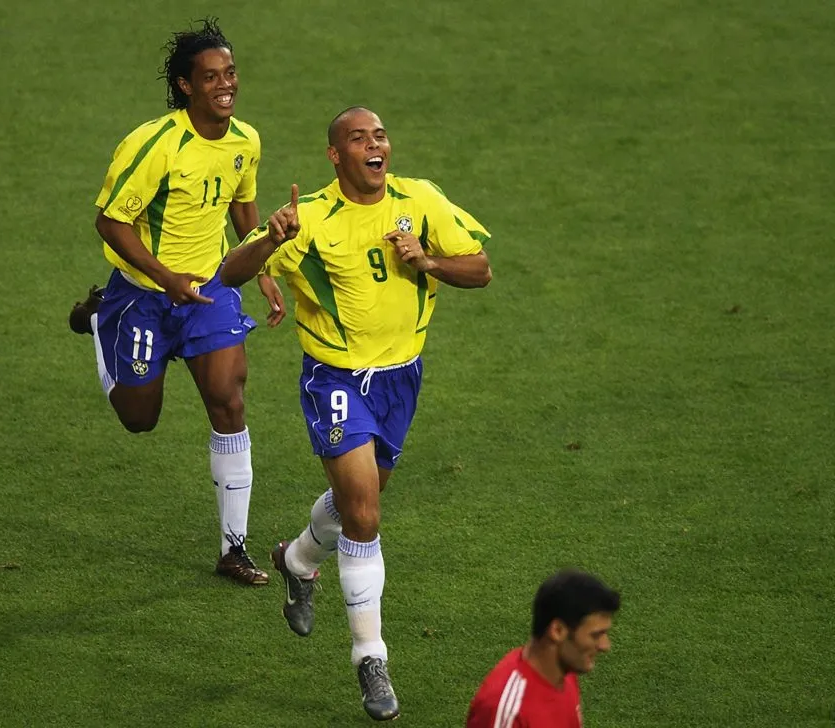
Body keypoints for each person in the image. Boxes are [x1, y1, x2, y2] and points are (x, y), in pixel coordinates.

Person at [221, 106, 492, 721]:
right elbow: (229, 273)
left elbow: (480, 269)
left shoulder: (419, 201)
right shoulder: (310, 218)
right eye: (358, 138)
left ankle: (297, 561)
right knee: (365, 513)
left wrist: (429, 262)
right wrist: (271, 237)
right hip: (336, 379)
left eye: (380, 135)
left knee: (353, 506)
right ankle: (370, 659)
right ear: (335, 155)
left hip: (402, 379)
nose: (375, 146)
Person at [67, 18, 285, 586]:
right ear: (186, 86)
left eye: (230, 73)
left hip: (210, 291)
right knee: (139, 420)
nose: (225, 85)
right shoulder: (154, 145)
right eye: (211, 77)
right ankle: (99, 322)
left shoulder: (246, 139)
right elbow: (111, 222)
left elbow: (242, 203)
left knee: (228, 399)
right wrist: (163, 277)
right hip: (144, 297)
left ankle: (234, 548)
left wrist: (259, 265)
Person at [466, 569, 621, 728]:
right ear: (558, 631)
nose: (605, 646)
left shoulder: (564, 673)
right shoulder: (508, 712)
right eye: (596, 635)